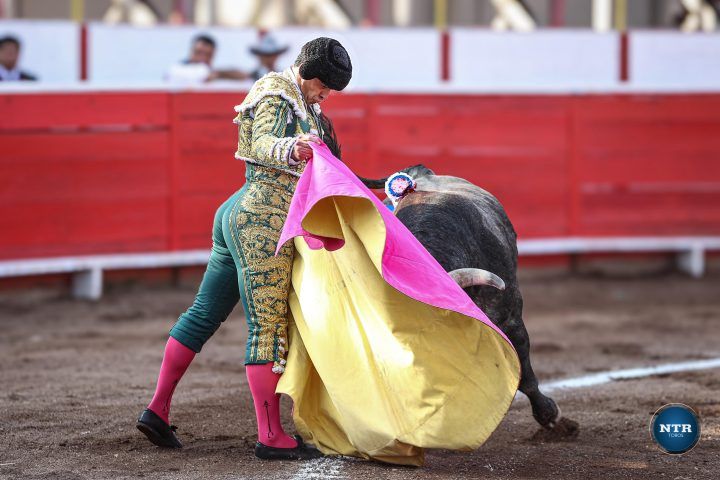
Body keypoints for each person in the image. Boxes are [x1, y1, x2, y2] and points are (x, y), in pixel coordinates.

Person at [137, 37, 352, 461]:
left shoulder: (308, 109)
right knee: (268, 326)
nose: (327, 94)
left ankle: (156, 410)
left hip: (242, 211)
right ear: (309, 73)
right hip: (263, 218)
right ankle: (271, 436)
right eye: (324, 85)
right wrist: (293, 147)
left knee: (204, 313)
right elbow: (260, 143)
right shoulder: (276, 91)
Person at [166, 33, 249, 84]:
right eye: (199, 53)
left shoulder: (213, 72)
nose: (202, 58)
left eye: (207, 55)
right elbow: (203, 75)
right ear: (192, 50)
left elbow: (243, 76)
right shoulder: (176, 69)